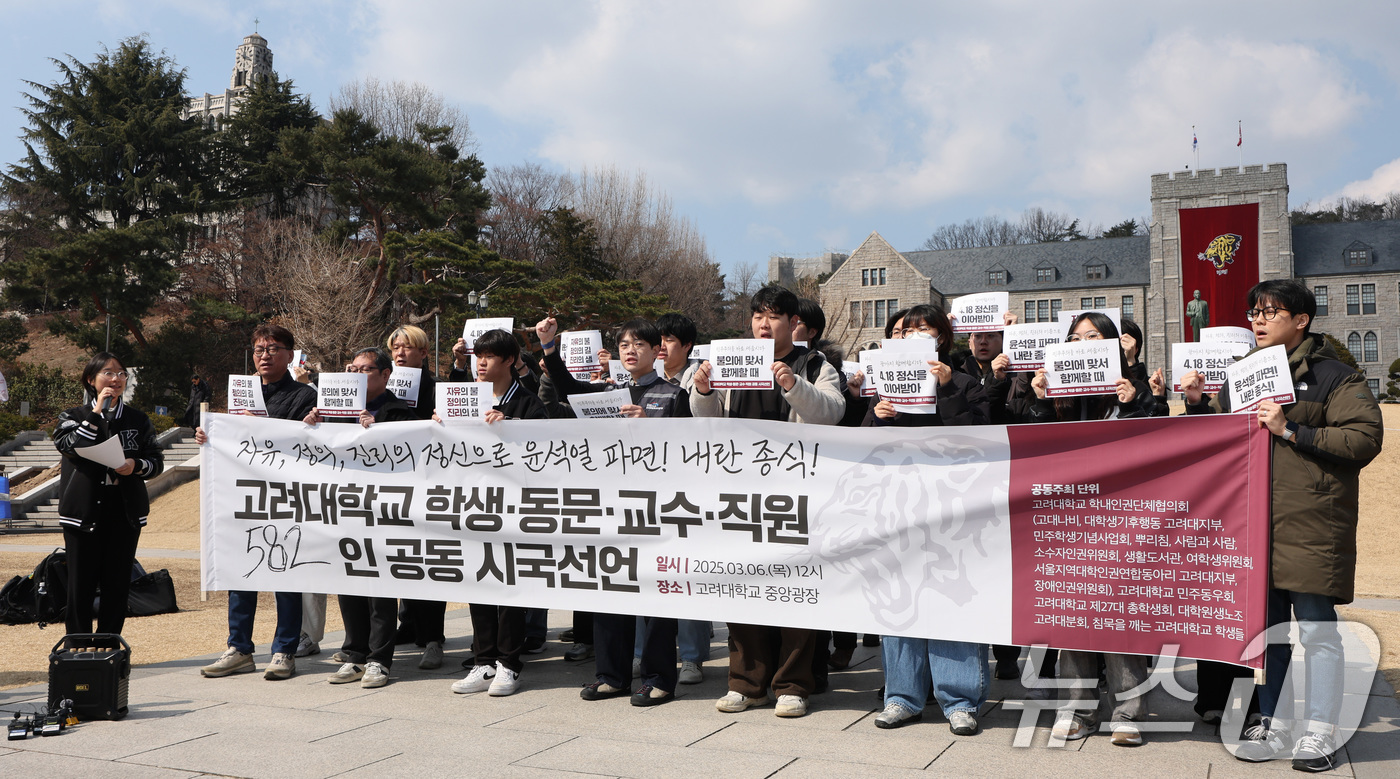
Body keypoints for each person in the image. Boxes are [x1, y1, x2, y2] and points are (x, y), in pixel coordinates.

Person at [1181, 280, 1382, 772]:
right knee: (1266, 637)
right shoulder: (1241, 375)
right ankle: (1271, 724)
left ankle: (1319, 732)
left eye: (1271, 312)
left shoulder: (1337, 376)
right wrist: (1199, 406)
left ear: (1301, 321)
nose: (1258, 319)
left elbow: (1363, 439)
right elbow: (1216, 450)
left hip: (1311, 527)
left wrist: (1292, 428)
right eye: (1254, 311)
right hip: (1251, 527)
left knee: (1317, 632)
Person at [692, 284, 844, 718]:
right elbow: (707, 423)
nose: (764, 323)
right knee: (742, 587)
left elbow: (831, 412)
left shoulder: (814, 364)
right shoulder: (728, 362)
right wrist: (702, 392)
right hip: (740, 494)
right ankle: (746, 683)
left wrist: (794, 385)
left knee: (796, 590)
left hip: (795, 495)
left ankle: (793, 684)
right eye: (758, 315)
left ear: (793, 323)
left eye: (774, 316)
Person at [537, 316, 691, 706]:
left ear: (657, 351)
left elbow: (692, 449)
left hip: (655, 511)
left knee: (655, 598)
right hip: (608, 508)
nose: (629, 350)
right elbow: (568, 389)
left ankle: (658, 678)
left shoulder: (673, 395)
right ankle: (611, 676)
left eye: (639, 344)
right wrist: (549, 347)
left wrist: (653, 428)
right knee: (609, 592)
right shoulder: (607, 391)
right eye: (624, 344)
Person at [862, 305, 992, 736]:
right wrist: (875, 417)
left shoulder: (968, 384)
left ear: (942, 336)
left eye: (922, 328)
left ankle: (959, 700)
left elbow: (977, 440)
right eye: (904, 330)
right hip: (897, 510)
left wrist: (948, 388)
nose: (912, 334)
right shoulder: (885, 390)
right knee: (899, 600)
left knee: (952, 598)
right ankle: (902, 695)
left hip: (953, 512)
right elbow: (862, 451)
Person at [1028, 312, 1154, 745]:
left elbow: (1160, 447)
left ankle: (1128, 712)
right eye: (1075, 337)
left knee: (1119, 616)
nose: (1082, 343)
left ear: (1113, 344)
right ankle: (1077, 709)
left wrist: (1133, 403)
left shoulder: (1132, 392)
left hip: (1121, 522)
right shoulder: (1056, 394)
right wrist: (1041, 400)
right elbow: (1034, 449)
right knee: (1072, 615)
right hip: (1069, 521)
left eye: (1093, 336)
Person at [196, 324, 317, 680]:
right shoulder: (242, 395)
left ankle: (284, 651)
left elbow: (300, 443)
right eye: (259, 349)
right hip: (243, 496)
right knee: (240, 570)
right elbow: (228, 439)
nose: (265, 355)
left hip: (285, 497)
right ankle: (239, 648)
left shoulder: (304, 396)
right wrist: (209, 432)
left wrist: (260, 425)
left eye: (273, 349)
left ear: (290, 355)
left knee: (285, 572)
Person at [303, 347, 418, 689]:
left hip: (384, 511)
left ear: (385, 375)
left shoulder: (400, 411)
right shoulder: (334, 411)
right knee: (347, 580)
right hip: (343, 507)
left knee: (380, 587)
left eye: (366, 369)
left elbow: (411, 450)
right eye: (352, 368)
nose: (356, 374)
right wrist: (311, 427)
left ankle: (379, 659)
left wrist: (378, 429)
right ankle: (354, 653)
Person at [447, 329, 548, 698]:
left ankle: (509, 664)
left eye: (490, 356)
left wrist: (511, 429)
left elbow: (541, 453)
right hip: (472, 502)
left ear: (509, 360)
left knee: (508, 588)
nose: (482, 362)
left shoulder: (527, 403)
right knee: (478, 583)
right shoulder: (463, 400)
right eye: (478, 356)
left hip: (512, 509)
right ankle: (483, 660)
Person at [52, 352, 164, 636]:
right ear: (91, 380)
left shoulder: (138, 419)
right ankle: (76, 645)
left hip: (124, 508)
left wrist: (135, 465)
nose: (116, 379)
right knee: (80, 583)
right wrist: (96, 413)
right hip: (84, 509)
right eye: (108, 373)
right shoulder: (72, 416)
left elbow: (156, 462)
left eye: (121, 373)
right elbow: (71, 445)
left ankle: (109, 644)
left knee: (117, 583)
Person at [384, 325, 448, 671]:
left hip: (430, 485)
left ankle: (433, 637)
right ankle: (408, 625)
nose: (400, 353)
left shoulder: (437, 389)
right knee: (402, 558)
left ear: (423, 353)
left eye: (407, 348)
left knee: (431, 560)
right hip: (393, 486)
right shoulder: (381, 387)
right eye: (395, 347)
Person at [653, 311, 711, 685]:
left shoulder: (699, 379)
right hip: (649, 489)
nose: (661, 347)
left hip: (691, 488)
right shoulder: (642, 379)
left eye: (669, 340)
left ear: (687, 346)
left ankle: (691, 656)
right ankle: (647, 652)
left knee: (688, 572)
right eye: (656, 340)